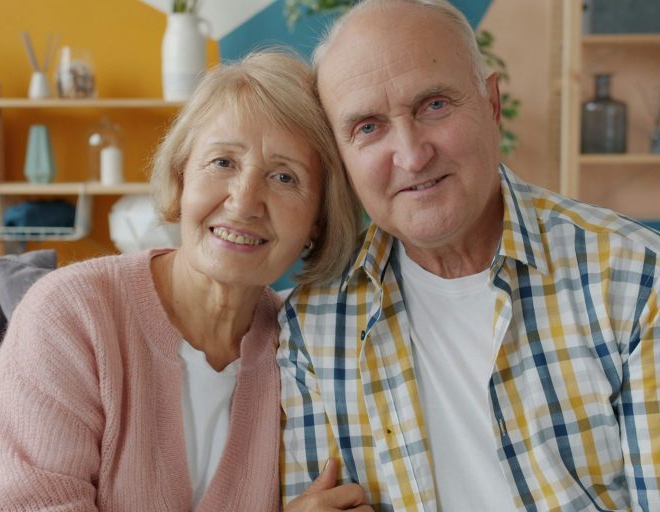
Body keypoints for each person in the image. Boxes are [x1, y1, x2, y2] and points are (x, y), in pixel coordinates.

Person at [278, 0, 660, 510]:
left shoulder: (636, 279)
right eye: (368, 127)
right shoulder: (311, 323)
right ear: (342, 160)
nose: (412, 155)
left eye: (433, 105)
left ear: (492, 104)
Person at [0, 49, 368, 511]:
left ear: (318, 220)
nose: (244, 202)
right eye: (223, 163)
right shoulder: (70, 313)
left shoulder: (304, 350)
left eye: (283, 176)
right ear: (180, 179)